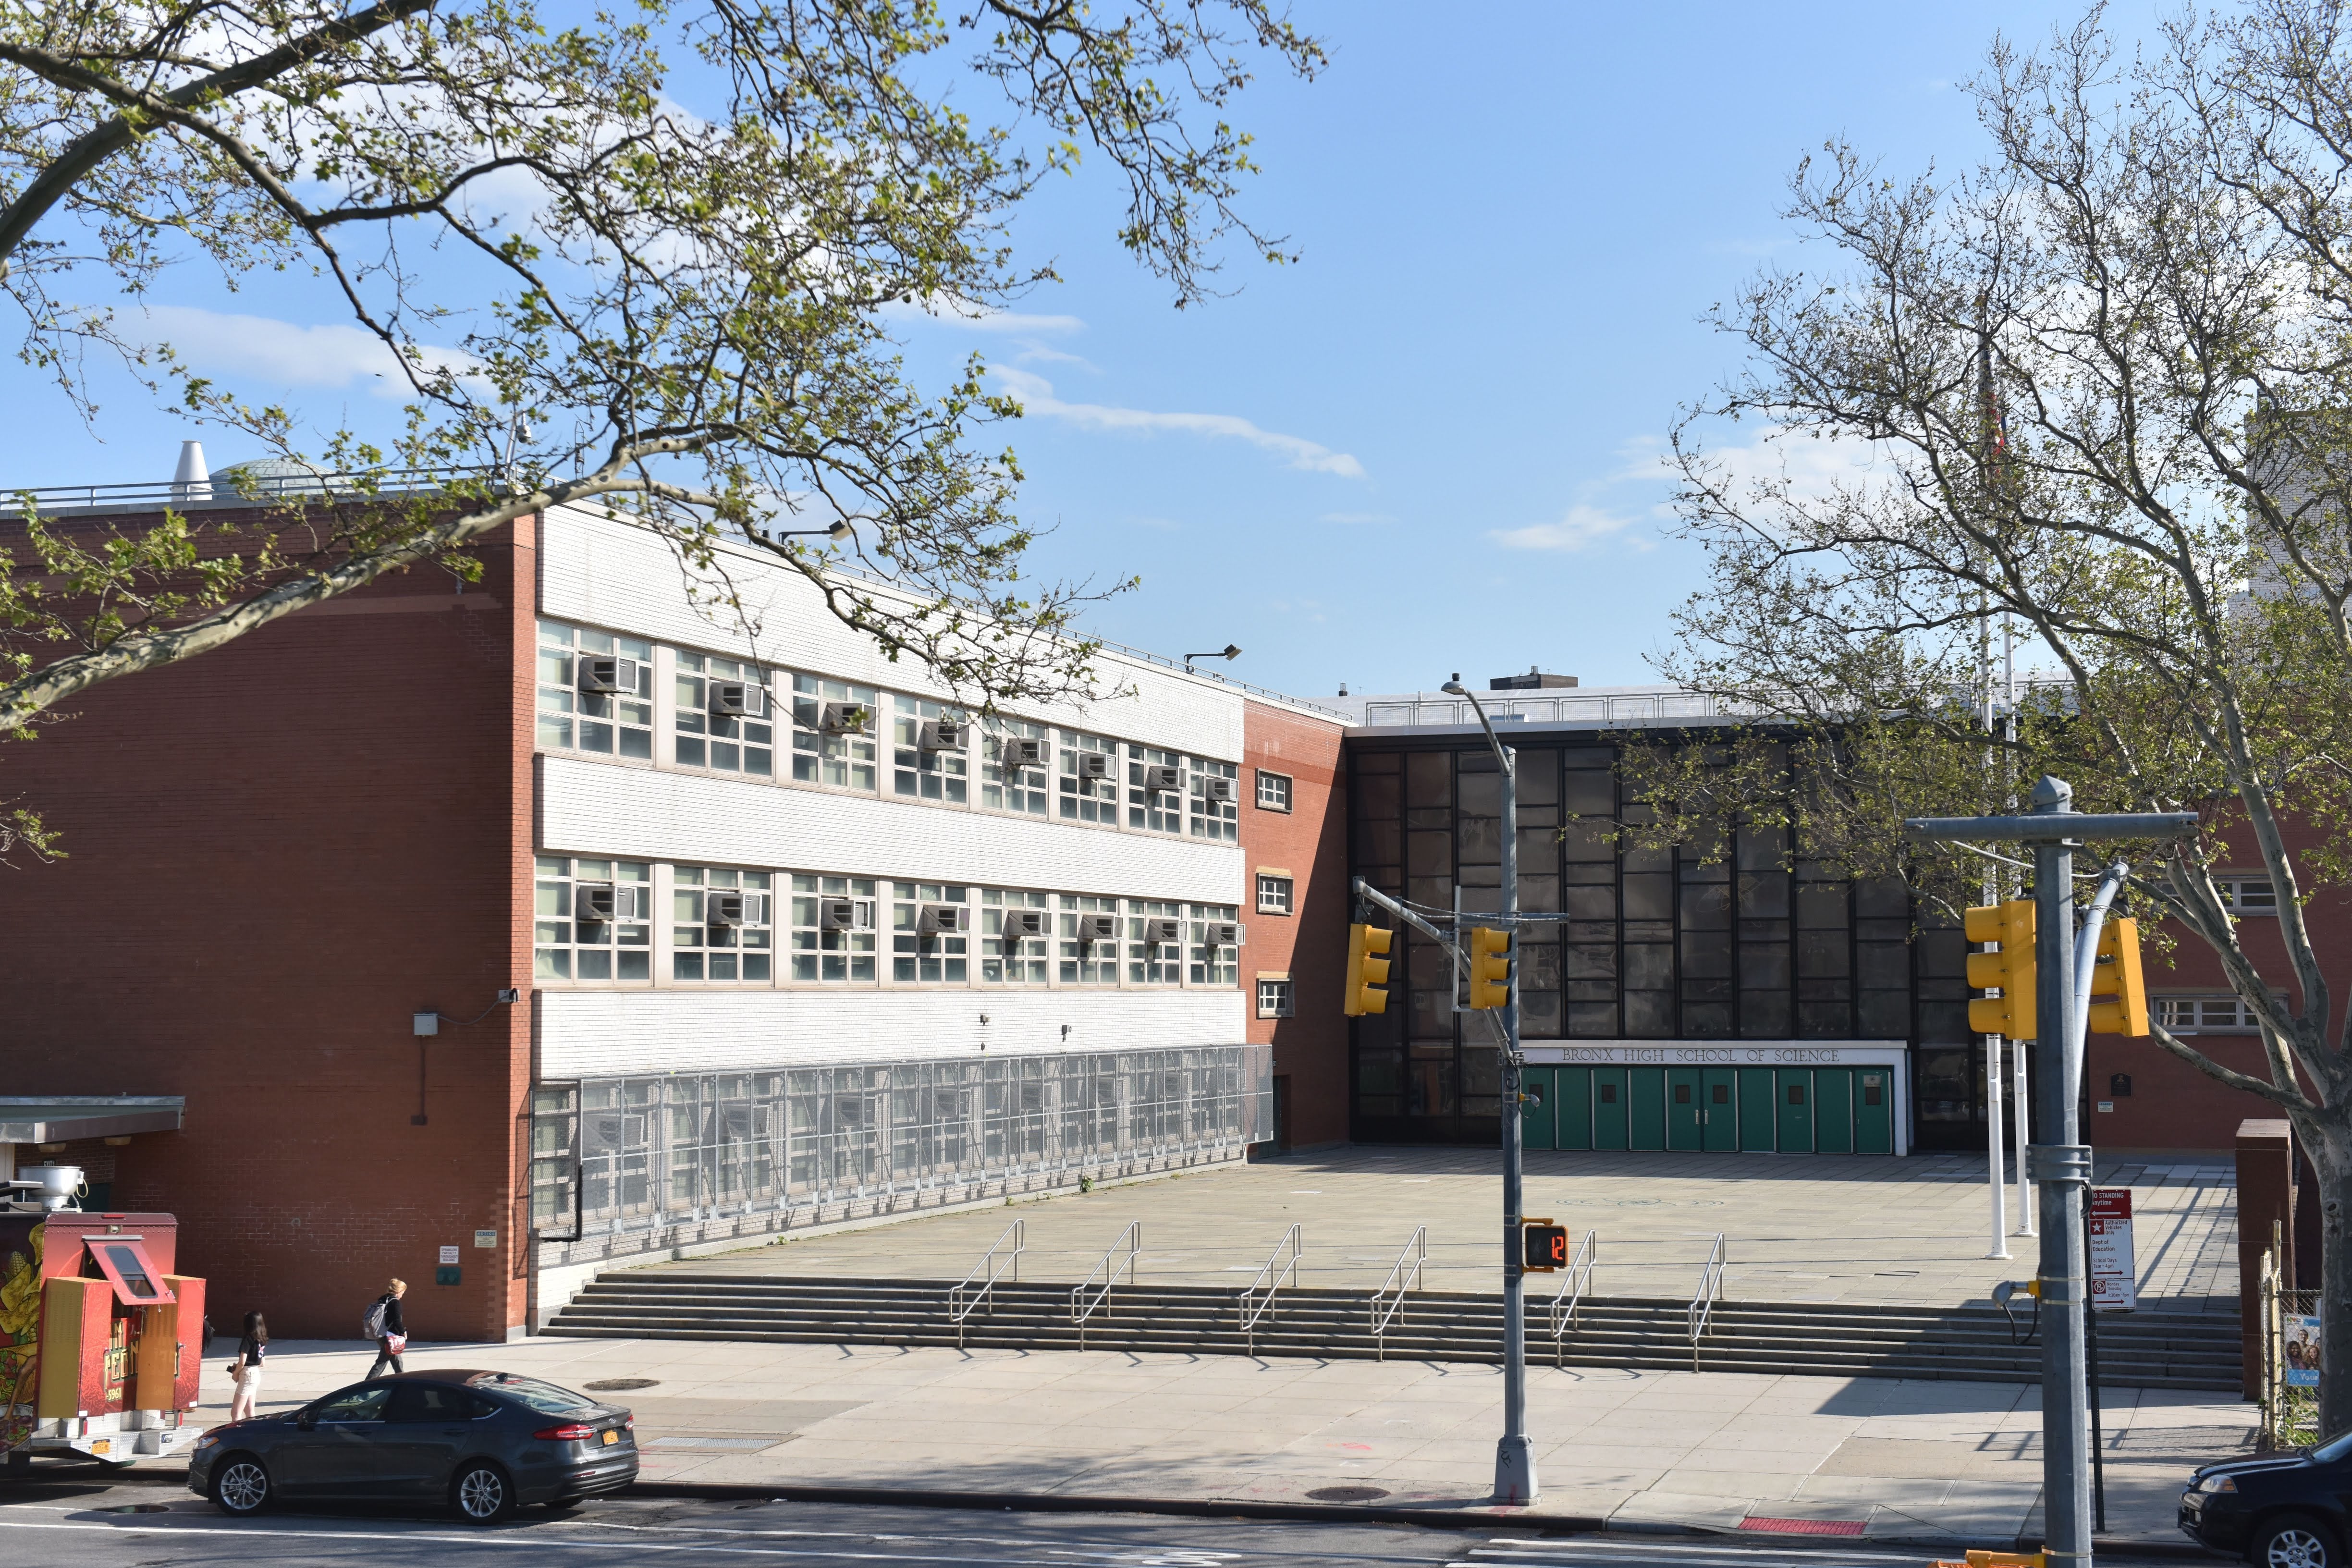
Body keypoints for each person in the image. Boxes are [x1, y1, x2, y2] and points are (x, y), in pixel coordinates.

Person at [227, 1311, 267, 1422]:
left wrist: (235, 1374)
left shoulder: (248, 1338)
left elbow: (243, 1361)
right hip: (255, 1374)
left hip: (247, 1375)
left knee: (235, 1413)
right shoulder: (261, 1339)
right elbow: (262, 1363)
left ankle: (237, 1436)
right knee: (250, 1412)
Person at [366, 1278, 408, 1377]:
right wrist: (403, 1332)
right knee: (382, 1362)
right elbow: (397, 1320)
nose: (403, 1295)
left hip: (379, 1334)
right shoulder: (395, 1302)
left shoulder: (383, 1299)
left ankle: (402, 1380)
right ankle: (366, 1384)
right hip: (389, 1337)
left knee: (397, 1361)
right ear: (399, 1291)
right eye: (403, 1292)